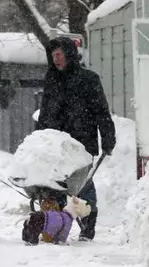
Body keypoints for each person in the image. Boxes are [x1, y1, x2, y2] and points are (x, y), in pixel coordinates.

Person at [36, 37, 115, 242]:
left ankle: (88, 224)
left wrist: (108, 136)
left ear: (70, 54)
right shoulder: (52, 79)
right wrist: (38, 136)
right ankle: (56, 224)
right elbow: (45, 111)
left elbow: (101, 111)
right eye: (53, 55)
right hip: (56, 143)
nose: (56, 59)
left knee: (82, 186)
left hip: (82, 142)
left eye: (60, 54)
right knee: (57, 186)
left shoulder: (88, 79)